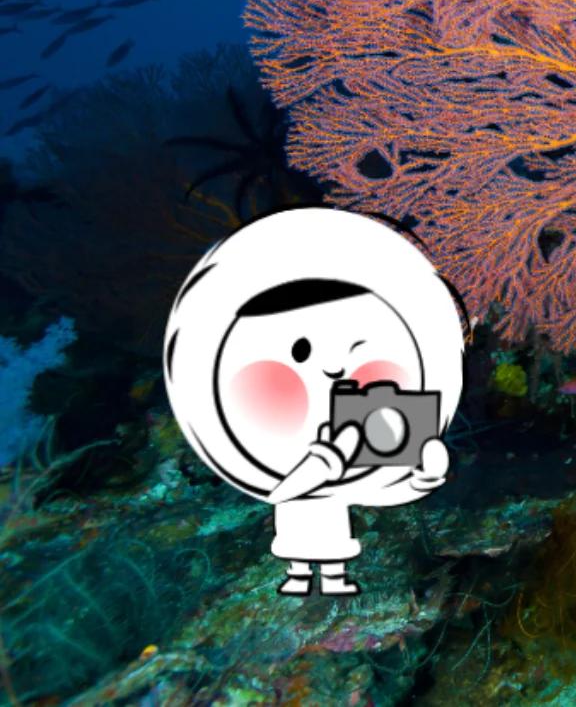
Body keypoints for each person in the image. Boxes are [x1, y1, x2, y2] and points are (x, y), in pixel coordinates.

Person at [163, 207, 466, 596]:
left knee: (329, 548)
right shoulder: (264, 457)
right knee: (300, 548)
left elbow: (385, 485)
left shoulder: (376, 433)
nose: (333, 371)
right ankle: (303, 575)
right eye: (300, 354)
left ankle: (329, 577)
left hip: (329, 507)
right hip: (300, 508)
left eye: (358, 351)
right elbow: (296, 485)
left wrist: (424, 476)